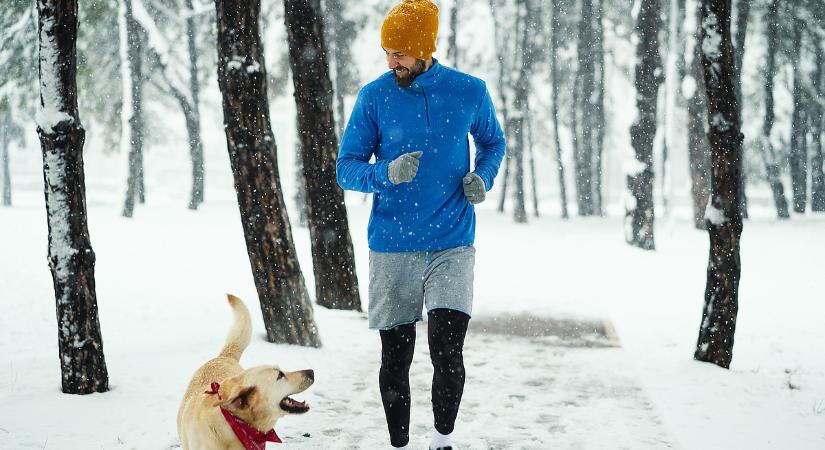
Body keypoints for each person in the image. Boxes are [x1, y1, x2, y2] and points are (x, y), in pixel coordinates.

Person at [336, 0, 505, 448]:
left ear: (425, 48)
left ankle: (442, 439)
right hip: (392, 245)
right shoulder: (375, 96)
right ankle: (400, 444)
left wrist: (482, 178)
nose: (392, 62)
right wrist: (384, 173)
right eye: (387, 52)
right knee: (396, 357)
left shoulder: (469, 91)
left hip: (452, 242)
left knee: (447, 351)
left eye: (400, 54)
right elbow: (345, 167)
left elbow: (493, 143)